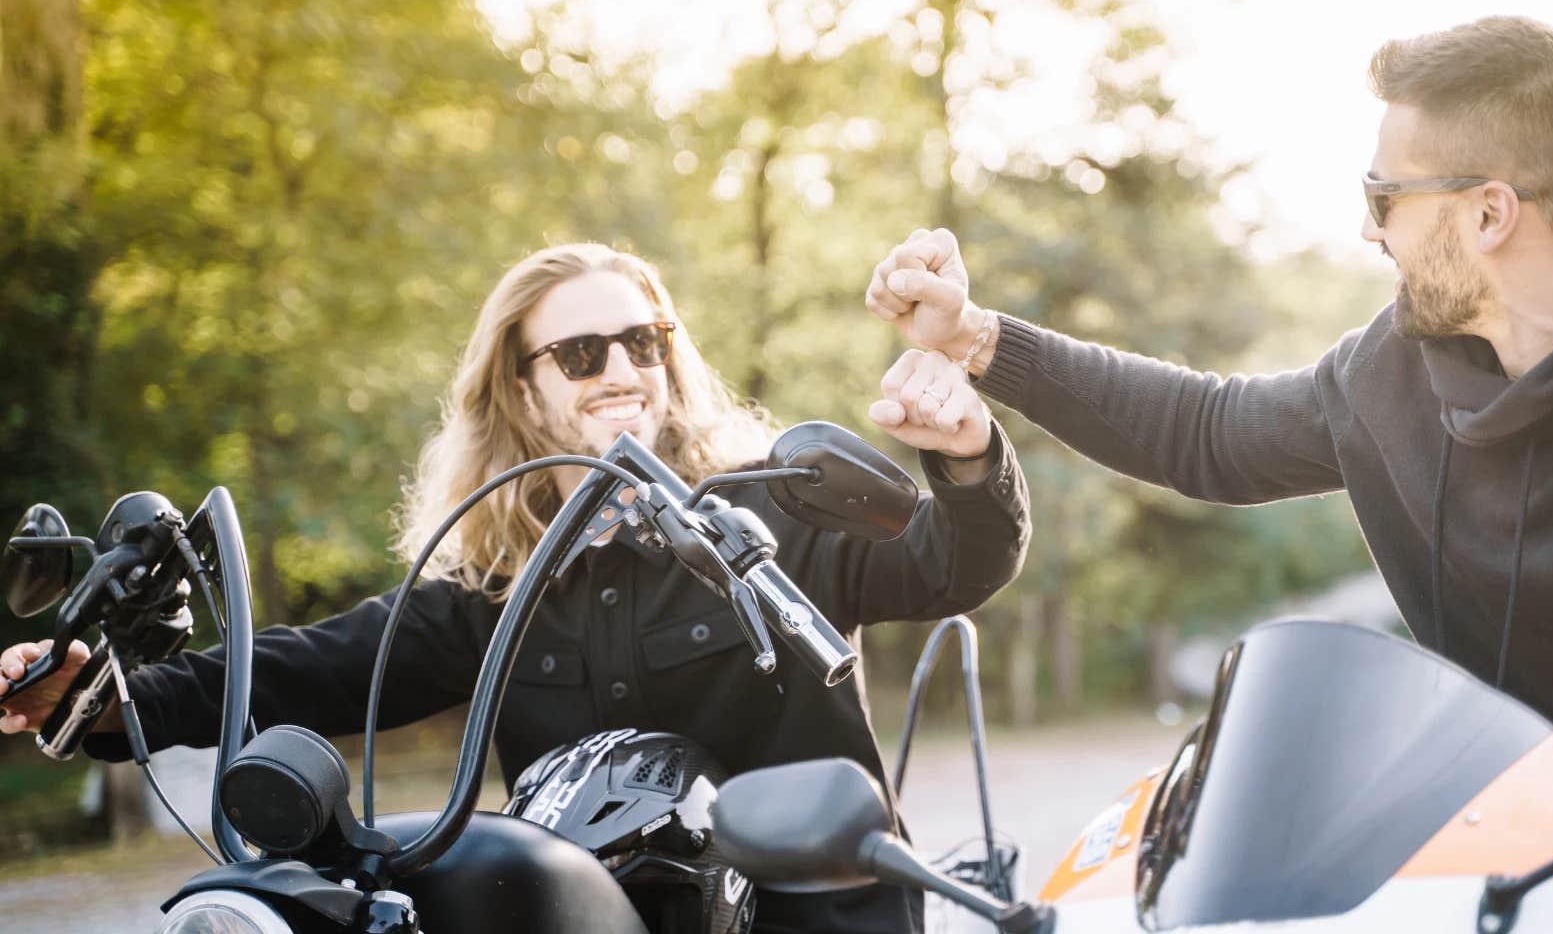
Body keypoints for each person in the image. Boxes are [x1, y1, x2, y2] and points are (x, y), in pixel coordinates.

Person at [866, 16, 1553, 933]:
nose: (1368, 228)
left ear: (1489, 213)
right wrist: (976, 339)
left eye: (1384, 196)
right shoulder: (1400, 371)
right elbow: (1208, 432)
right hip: (1482, 850)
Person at [0, 242, 1031, 934]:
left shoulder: (772, 513)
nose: (621, 367)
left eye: (644, 342)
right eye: (582, 353)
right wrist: (107, 699)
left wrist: (970, 451)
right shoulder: (498, 574)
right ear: (524, 388)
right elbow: (324, 665)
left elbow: (955, 560)